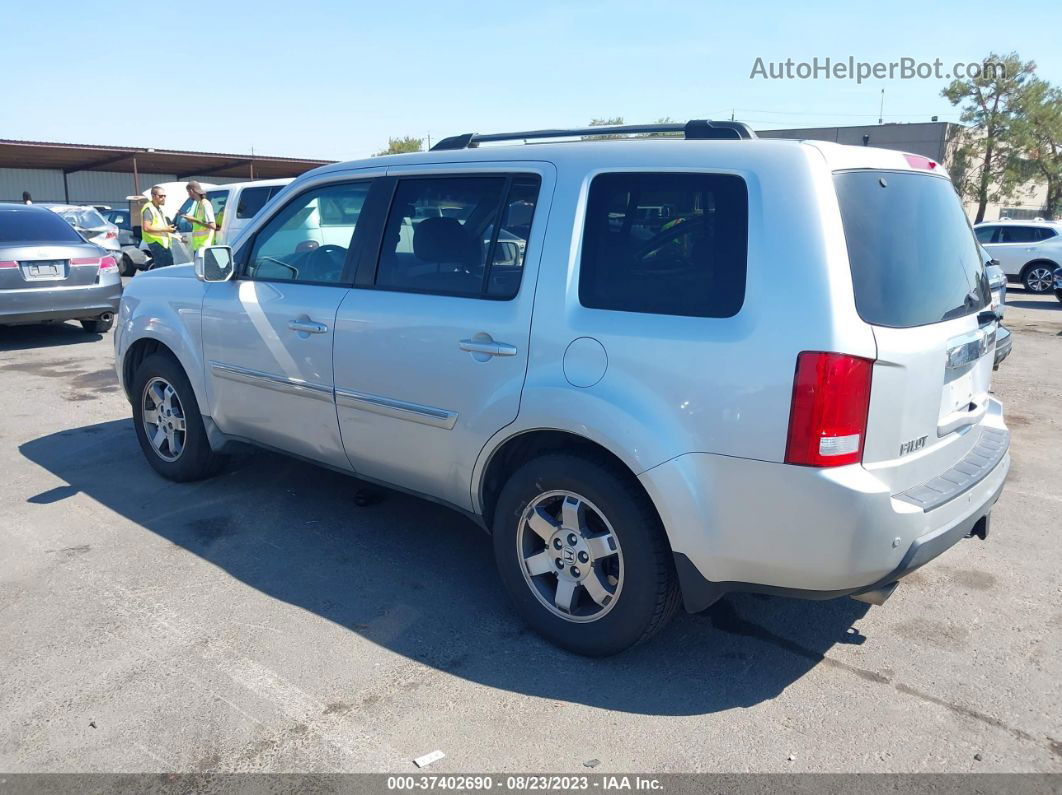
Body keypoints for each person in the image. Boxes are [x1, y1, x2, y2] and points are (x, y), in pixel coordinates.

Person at [141, 185, 176, 269]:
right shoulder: (149, 209)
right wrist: (166, 229)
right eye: (160, 196)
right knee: (163, 268)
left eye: (164, 196)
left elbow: (159, 225)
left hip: (161, 243)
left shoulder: (157, 208)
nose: (163, 198)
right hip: (156, 242)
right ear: (153, 196)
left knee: (168, 266)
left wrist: (169, 230)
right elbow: (146, 228)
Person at [180, 181, 216, 255]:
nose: (188, 195)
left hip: (205, 247)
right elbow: (200, 222)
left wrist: (195, 220)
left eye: (188, 192)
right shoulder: (198, 204)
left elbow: (213, 226)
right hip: (199, 246)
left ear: (191, 191)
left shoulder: (205, 204)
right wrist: (191, 219)